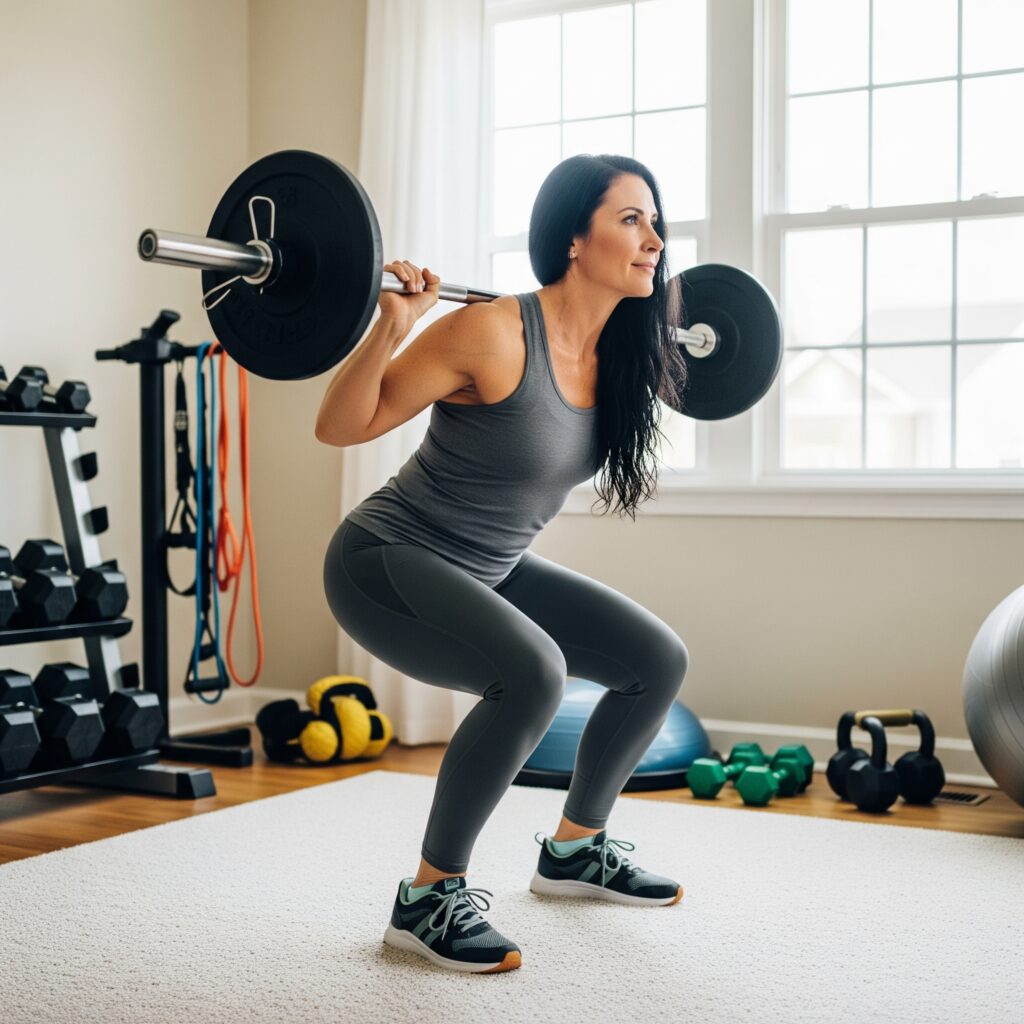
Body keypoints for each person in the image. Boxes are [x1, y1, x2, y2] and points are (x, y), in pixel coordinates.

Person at [317, 154, 690, 974]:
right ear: (572, 240)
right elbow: (341, 427)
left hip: (490, 565)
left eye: (656, 220)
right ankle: (426, 899)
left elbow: (712, 357)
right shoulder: (488, 332)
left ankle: (574, 850)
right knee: (533, 672)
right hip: (386, 558)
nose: (655, 239)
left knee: (656, 660)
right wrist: (393, 325)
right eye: (632, 219)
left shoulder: (622, 357)